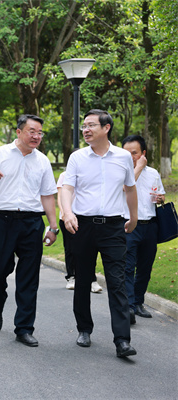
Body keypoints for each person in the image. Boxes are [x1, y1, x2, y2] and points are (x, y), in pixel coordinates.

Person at [60, 109, 138, 358]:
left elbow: (130, 189)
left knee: (117, 282)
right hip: (82, 225)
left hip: (113, 227)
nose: (85, 129)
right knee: (83, 280)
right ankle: (84, 329)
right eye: (84, 125)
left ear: (106, 128)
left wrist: (134, 217)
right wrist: (67, 212)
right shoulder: (77, 157)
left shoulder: (123, 157)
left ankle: (122, 340)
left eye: (91, 125)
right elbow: (67, 188)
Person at [0, 114, 58, 347]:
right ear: (19, 132)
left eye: (40, 133)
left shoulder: (42, 161)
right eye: (32, 131)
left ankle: (24, 328)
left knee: (29, 278)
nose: (37, 136)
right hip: (2, 221)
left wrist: (53, 227)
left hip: (32, 222)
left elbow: (47, 195)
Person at [122, 135, 165, 320]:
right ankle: (129, 307)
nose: (130, 156)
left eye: (134, 153)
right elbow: (124, 188)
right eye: (126, 153)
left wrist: (161, 198)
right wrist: (137, 168)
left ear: (143, 153)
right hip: (128, 225)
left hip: (150, 225)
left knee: (145, 267)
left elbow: (160, 193)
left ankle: (138, 302)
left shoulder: (153, 173)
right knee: (127, 267)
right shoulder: (120, 171)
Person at [57, 171, 102, 292]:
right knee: (70, 249)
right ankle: (71, 277)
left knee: (90, 250)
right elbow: (60, 196)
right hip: (68, 218)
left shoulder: (89, 172)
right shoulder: (64, 175)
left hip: (85, 218)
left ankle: (92, 279)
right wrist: (64, 213)